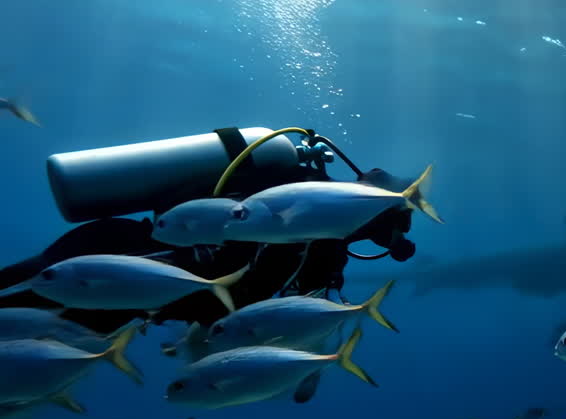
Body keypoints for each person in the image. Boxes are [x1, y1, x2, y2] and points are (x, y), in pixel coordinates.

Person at [0, 134, 418, 335]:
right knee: (31, 304)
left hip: (134, 267)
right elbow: (293, 296)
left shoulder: (306, 197)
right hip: (134, 265)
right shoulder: (315, 216)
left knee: (36, 331)